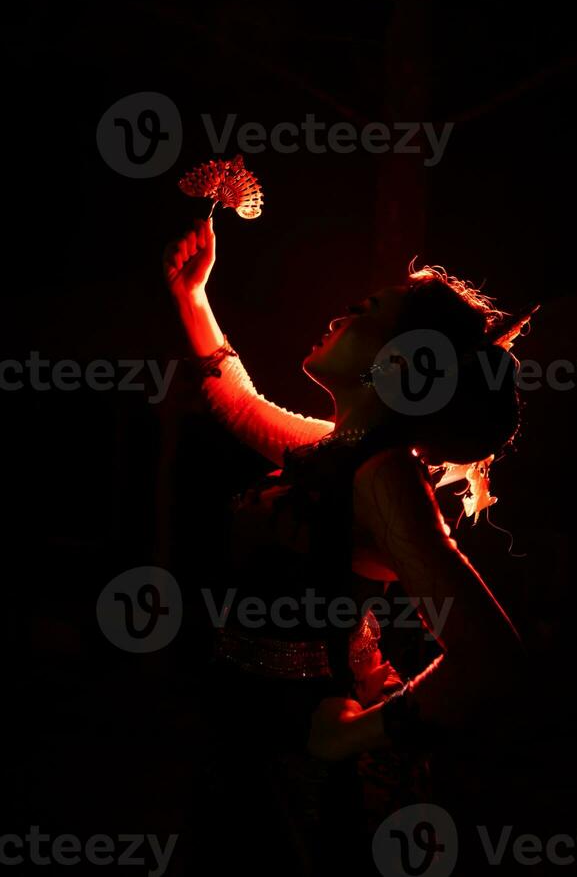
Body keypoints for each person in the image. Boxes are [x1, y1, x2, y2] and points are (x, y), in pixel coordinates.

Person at [163, 215, 528, 876]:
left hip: (308, 769)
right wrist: (193, 295)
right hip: (252, 735)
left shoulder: (382, 476)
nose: (339, 314)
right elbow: (235, 401)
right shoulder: (335, 452)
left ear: (401, 366)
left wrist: (357, 734)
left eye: (364, 311)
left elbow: (490, 657)